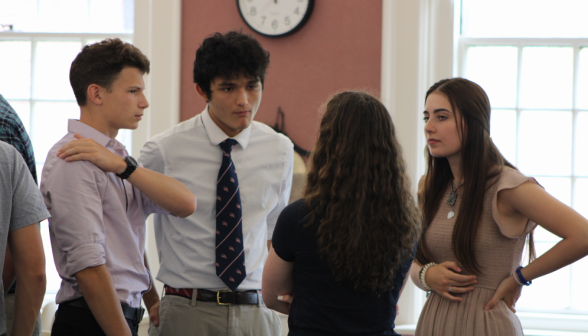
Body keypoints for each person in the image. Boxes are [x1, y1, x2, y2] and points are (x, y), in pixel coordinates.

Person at [138, 31, 293, 336]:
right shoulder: (164, 151)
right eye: (228, 88)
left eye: (252, 86)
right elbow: (128, 229)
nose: (243, 100)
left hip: (256, 314)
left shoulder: (280, 150)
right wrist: (150, 298)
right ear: (202, 90)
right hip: (186, 311)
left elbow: (275, 235)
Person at [41, 38, 196, 336]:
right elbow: (89, 268)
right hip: (90, 319)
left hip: (119, 317)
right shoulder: (72, 158)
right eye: (133, 91)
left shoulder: (118, 158)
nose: (144, 102)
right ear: (97, 93)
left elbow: (186, 204)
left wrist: (125, 167)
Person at [411, 77, 588, 336]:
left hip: (486, 324)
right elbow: (409, 259)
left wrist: (520, 277)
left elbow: (583, 235)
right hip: (433, 323)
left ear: (474, 123)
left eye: (442, 117)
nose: (429, 127)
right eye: (426, 117)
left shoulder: (507, 186)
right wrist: (425, 276)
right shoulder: (429, 186)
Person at [262, 91, 421, 336]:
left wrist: (307, 303)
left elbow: (272, 296)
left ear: (328, 143)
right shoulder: (406, 222)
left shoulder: (298, 217)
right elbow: (392, 299)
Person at [0, 93, 44, 335]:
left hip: (10, 301)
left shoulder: (1, 125)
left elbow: (11, 254)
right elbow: (34, 271)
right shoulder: (6, 155)